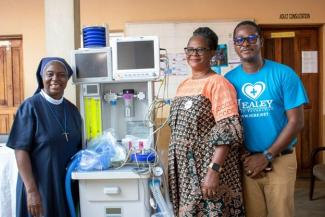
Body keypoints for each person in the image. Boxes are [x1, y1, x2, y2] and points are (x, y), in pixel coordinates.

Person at [225, 20, 309, 217]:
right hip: (247, 162)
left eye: (251, 38)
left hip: (280, 160)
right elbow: (229, 124)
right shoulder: (229, 81)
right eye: (239, 40)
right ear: (235, 46)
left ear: (260, 41)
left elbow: (296, 122)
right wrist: (249, 158)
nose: (245, 43)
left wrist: (266, 156)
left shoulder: (284, 74)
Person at [168, 27, 245, 217]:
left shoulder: (218, 83)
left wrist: (214, 171)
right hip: (185, 172)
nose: (194, 54)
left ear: (212, 53)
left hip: (207, 169)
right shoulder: (183, 85)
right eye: (190, 49)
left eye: (200, 49)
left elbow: (227, 130)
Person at [7, 57, 82, 217]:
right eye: (50, 74)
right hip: (40, 186)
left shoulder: (73, 110)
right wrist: (31, 191)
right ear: (42, 77)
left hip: (65, 185)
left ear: (67, 79)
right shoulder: (30, 107)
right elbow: (20, 150)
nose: (55, 79)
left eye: (61, 75)